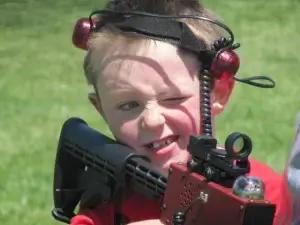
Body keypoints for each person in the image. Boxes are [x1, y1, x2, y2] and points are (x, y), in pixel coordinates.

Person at [69, 0, 288, 224]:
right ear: (101, 109)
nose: (152, 121)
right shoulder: (107, 198)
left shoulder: (262, 192)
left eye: (173, 98)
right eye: (128, 105)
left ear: (219, 94)